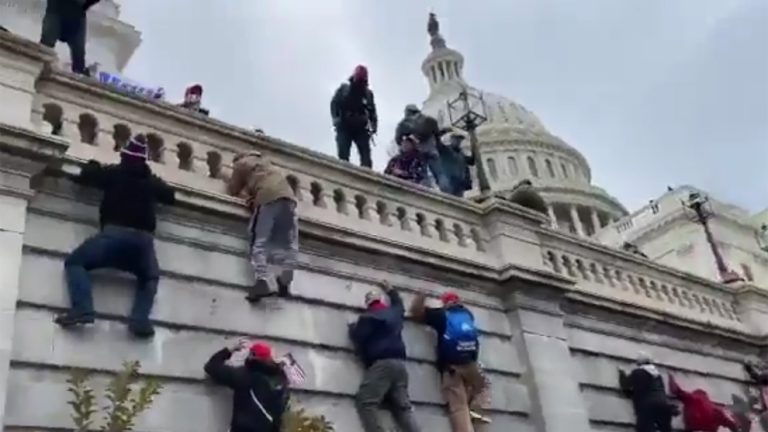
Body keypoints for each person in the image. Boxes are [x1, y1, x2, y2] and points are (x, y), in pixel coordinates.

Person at [55, 134, 175, 338]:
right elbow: (170, 196)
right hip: (143, 243)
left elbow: (87, 176)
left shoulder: (115, 173)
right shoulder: (150, 182)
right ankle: (140, 321)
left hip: (113, 236)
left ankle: (83, 308)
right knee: (149, 278)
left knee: (75, 263)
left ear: (124, 156)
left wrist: (92, 164)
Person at [410, 291, 488, 432]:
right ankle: (476, 412)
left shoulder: (441, 315)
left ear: (445, 302)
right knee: (480, 388)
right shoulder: (468, 315)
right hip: (471, 365)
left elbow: (416, 313)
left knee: (458, 407)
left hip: (452, 367)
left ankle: (467, 423)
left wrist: (421, 295)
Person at [348, 281, 421, 432]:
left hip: (382, 365)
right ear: (381, 301)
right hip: (400, 366)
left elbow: (358, 337)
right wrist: (391, 290)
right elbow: (399, 304)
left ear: (368, 303)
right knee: (403, 408)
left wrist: (351, 328)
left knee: (366, 402)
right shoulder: (394, 313)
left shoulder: (367, 318)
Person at [227, 151, 298, 303]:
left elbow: (233, 188)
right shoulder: (266, 162)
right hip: (289, 199)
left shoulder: (241, 164)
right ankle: (285, 280)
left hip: (268, 197)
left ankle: (262, 282)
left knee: (258, 241)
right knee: (286, 243)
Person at [205, 339, 290, 432]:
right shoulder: (280, 380)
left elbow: (212, 366)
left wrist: (230, 350)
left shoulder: (244, 376)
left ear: (252, 356)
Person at [394, 105, 451, 192]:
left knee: (423, 175)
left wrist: (405, 146)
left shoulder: (404, 123)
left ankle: (426, 193)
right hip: (432, 151)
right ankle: (448, 194)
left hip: (418, 154)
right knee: (440, 174)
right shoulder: (430, 120)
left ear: (407, 112)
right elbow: (437, 135)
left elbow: (398, 139)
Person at [330, 65, 378, 168]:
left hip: (361, 127)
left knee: (366, 156)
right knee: (343, 153)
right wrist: (336, 119)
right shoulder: (344, 89)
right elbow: (334, 104)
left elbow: (372, 112)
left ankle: (367, 176)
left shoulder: (368, 94)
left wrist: (374, 127)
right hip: (344, 124)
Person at [40, 0, 100, 75]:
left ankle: (79, 71)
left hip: (75, 15)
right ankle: (40, 59)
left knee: (79, 55)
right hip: (58, 10)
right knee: (46, 45)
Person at [618, 352, 675, 432]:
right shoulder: (658, 375)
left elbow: (625, 385)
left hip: (647, 406)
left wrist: (621, 373)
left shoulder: (638, 372)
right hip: (663, 405)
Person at [668, 374, 738, 432]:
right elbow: (731, 425)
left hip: (694, 424)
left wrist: (671, 378)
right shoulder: (716, 410)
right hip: (706, 425)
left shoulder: (691, 399)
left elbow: (675, 390)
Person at [438, 133, 475, 197]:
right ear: (452, 140)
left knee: (459, 198)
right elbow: (438, 144)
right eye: (456, 139)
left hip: (460, 182)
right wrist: (441, 133)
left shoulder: (461, 154)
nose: (458, 142)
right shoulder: (446, 150)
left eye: (459, 140)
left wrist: (473, 141)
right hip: (449, 181)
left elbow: (472, 161)